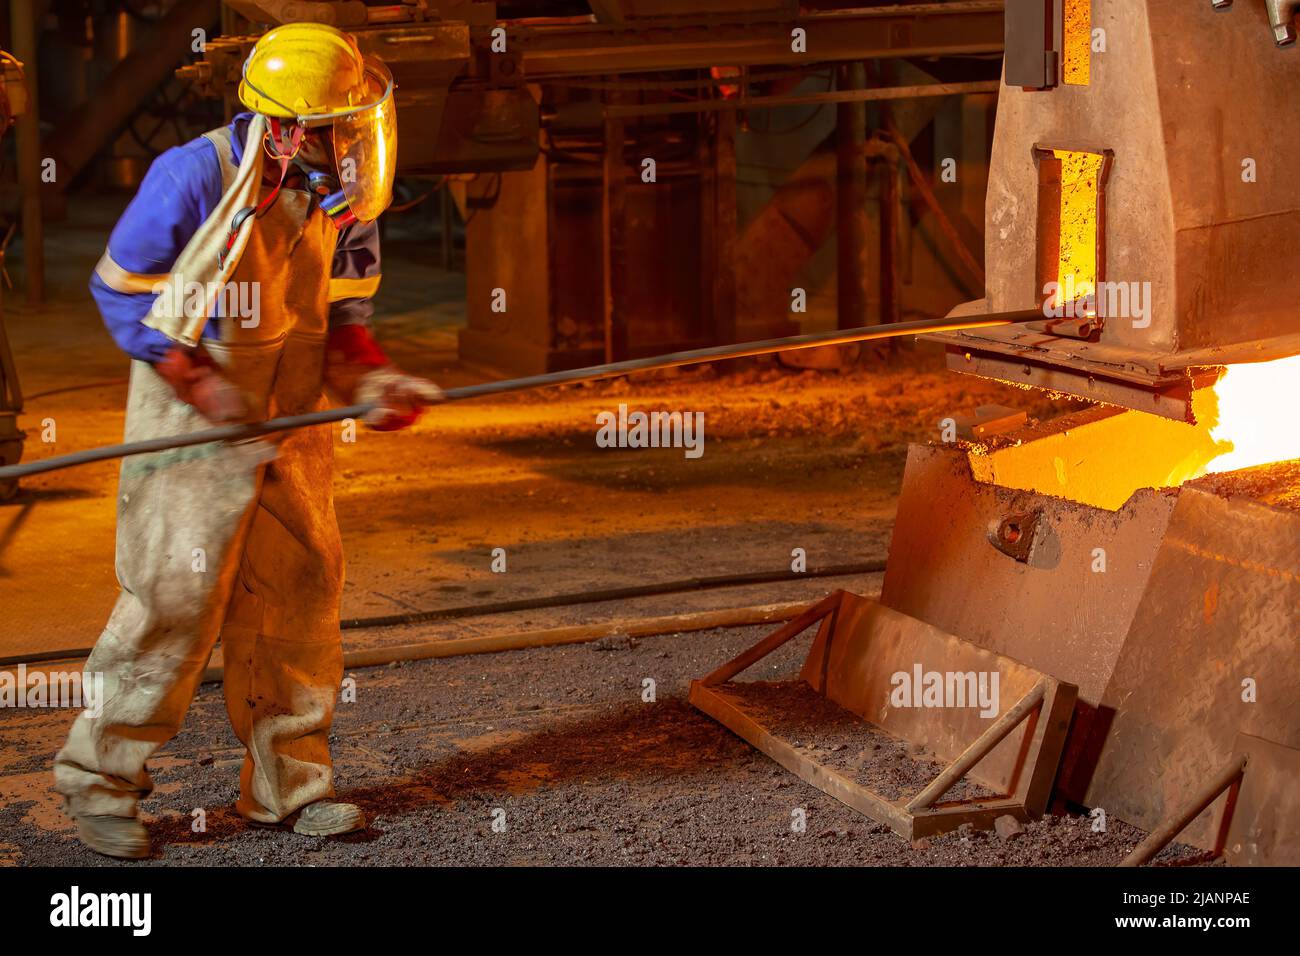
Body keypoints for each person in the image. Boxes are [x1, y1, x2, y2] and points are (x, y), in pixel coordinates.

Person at [53, 22, 440, 859]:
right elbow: (120, 292)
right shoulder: (192, 177)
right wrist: (201, 383)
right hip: (193, 421)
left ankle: (289, 789)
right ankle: (99, 784)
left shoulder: (343, 201)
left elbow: (345, 322)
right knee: (173, 603)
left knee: (301, 592)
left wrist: (372, 382)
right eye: (341, 124)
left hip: (291, 421)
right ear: (291, 128)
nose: (356, 140)